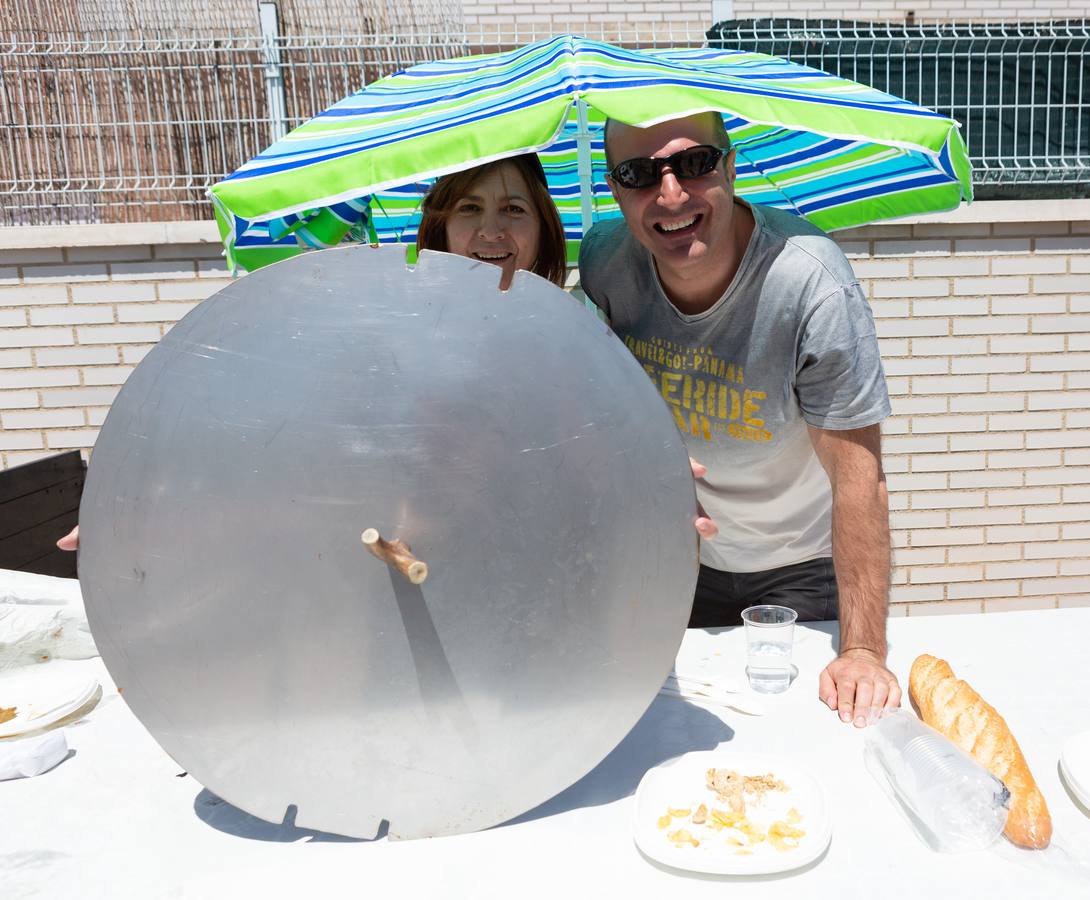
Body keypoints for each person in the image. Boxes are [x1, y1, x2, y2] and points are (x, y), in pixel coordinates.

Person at [579, 112, 900, 727]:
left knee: (798, 737)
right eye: (639, 174)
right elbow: (598, 397)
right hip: (678, 559)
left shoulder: (811, 282)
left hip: (799, 570)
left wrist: (863, 650)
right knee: (666, 738)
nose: (670, 193)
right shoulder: (605, 264)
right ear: (616, 191)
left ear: (729, 168)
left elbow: (860, 477)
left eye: (694, 164)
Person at [416, 153, 567, 290]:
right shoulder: (404, 319)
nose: (490, 233)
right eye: (470, 208)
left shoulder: (572, 320)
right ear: (441, 226)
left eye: (513, 209)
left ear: (543, 228)